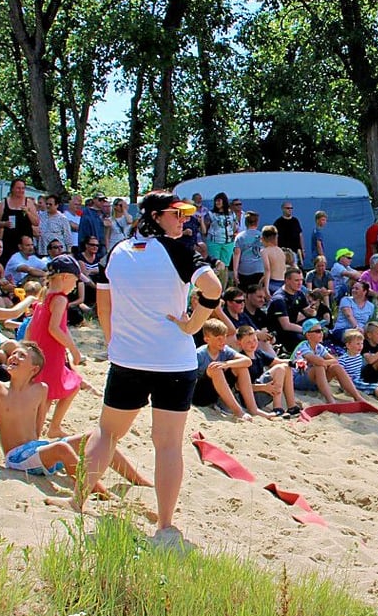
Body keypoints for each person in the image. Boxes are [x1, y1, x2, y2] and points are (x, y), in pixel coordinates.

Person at [77, 191, 221, 548]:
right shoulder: (178, 250)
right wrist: (192, 325)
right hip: (174, 359)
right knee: (168, 444)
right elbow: (214, 288)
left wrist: (113, 341)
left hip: (129, 359)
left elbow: (103, 302)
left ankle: (75, 501)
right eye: (177, 214)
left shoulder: (119, 251)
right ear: (156, 216)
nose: (183, 220)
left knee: (108, 433)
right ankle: (165, 525)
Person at [0, 343, 146, 492]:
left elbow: (37, 429)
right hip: (16, 457)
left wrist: (44, 454)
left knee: (97, 437)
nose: (14, 357)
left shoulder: (40, 389)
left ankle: (141, 482)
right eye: (14, 354)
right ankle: (100, 492)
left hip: (38, 451)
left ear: (34, 369)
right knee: (62, 448)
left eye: (21, 355)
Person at [25, 255, 85, 439]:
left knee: (64, 388)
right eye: (75, 280)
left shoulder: (45, 295)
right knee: (48, 397)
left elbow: (31, 325)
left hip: (40, 350)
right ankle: (37, 434)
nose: (75, 286)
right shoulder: (60, 299)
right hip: (50, 353)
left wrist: (27, 346)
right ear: (66, 277)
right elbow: (55, 328)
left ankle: (49, 429)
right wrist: (74, 350)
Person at [192, 318, 274, 421]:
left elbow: (247, 361)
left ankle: (253, 409)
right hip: (201, 395)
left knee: (241, 367)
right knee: (215, 368)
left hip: (218, 393)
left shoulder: (225, 350)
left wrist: (226, 364)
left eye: (224, 337)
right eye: (218, 338)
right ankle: (239, 412)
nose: (222, 341)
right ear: (207, 339)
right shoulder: (199, 354)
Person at [291, 318, 365, 404]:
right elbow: (319, 362)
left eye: (322, 330)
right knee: (319, 366)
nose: (321, 333)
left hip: (316, 380)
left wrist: (325, 362)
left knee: (336, 367)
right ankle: (330, 400)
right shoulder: (303, 346)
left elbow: (335, 361)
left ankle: (357, 397)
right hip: (298, 379)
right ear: (308, 335)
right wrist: (324, 362)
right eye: (318, 331)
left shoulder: (319, 347)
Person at [235, 325, 299, 416]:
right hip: (250, 397)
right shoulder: (241, 359)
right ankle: (277, 407)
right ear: (239, 343)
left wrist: (295, 363)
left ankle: (292, 406)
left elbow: (277, 361)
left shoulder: (259, 354)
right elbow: (238, 387)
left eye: (254, 340)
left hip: (266, 390)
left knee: (286, 367)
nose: (253, 344)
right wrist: (264, 387)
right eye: (248, 342)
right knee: (280, 368)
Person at [0, 178, 39, 266]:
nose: (20, 190)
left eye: (22, 188)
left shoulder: (28, 202)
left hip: (25, 240)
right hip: (9, 240)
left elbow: (36, 222)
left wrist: (28, 212)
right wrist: (4, 224)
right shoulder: (5, 202)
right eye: (18, 188)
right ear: (12, 189)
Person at [267, 266, 313, 353]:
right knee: (305, 339)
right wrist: (308, 330)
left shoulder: (299, 293)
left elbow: (308, 312)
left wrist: (313, 311)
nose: (300, 283)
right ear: (287, 281)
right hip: (281, 333)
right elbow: (286, 325)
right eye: (296, 280)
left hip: (294, 327)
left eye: (301, 280)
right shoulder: (279, 299)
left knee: (322, 331)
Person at [232, 211, 264, 289]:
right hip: (259, 269)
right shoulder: (262, 236)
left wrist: (235, 272)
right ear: (257, 222)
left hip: (244, 270)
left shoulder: (240, 237)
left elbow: (236, 254)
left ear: (246, 222)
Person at [260, 225, 287, 294]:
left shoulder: (265, 251)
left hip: (272, 282)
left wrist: (266, 288)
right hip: (283, 282)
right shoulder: (280, 250)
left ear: (263, 238)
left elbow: (267, 270)